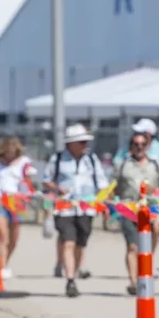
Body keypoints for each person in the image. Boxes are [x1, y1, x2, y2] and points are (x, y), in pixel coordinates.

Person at [45, 124, 108, 297]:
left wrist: (105, 205)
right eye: (81, 142)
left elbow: (102, 185)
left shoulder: (92, 160)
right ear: (70, 144)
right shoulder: (58, 159)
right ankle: (70, 280)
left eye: (85, 141)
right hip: (64, 208)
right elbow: (46, 180)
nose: (84, 145)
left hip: (86, 209)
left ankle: (77, 269)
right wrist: (58, 188)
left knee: (81, 242)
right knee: (68, 241)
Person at [115, 131, 159, 295]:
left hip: (151, 208)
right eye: (136, 144)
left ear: (147, 146)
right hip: (129, 207)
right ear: (131, 146)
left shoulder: (155, 164)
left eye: (143, 144)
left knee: (151, 239)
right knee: (132, 246)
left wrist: (157, 191)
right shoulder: (123, 164)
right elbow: (114, 186)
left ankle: (145, 268)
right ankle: (134, 282)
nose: (139, 148)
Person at [0, 136, 38, 279]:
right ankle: (2, 266)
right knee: (2, 234)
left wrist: (29, 193)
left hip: (17, 201)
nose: (10, 154)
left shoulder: (24, 163)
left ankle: (6, 261)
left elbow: (28, 183)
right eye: (7, 151)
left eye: (13, 151)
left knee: (14, 237)